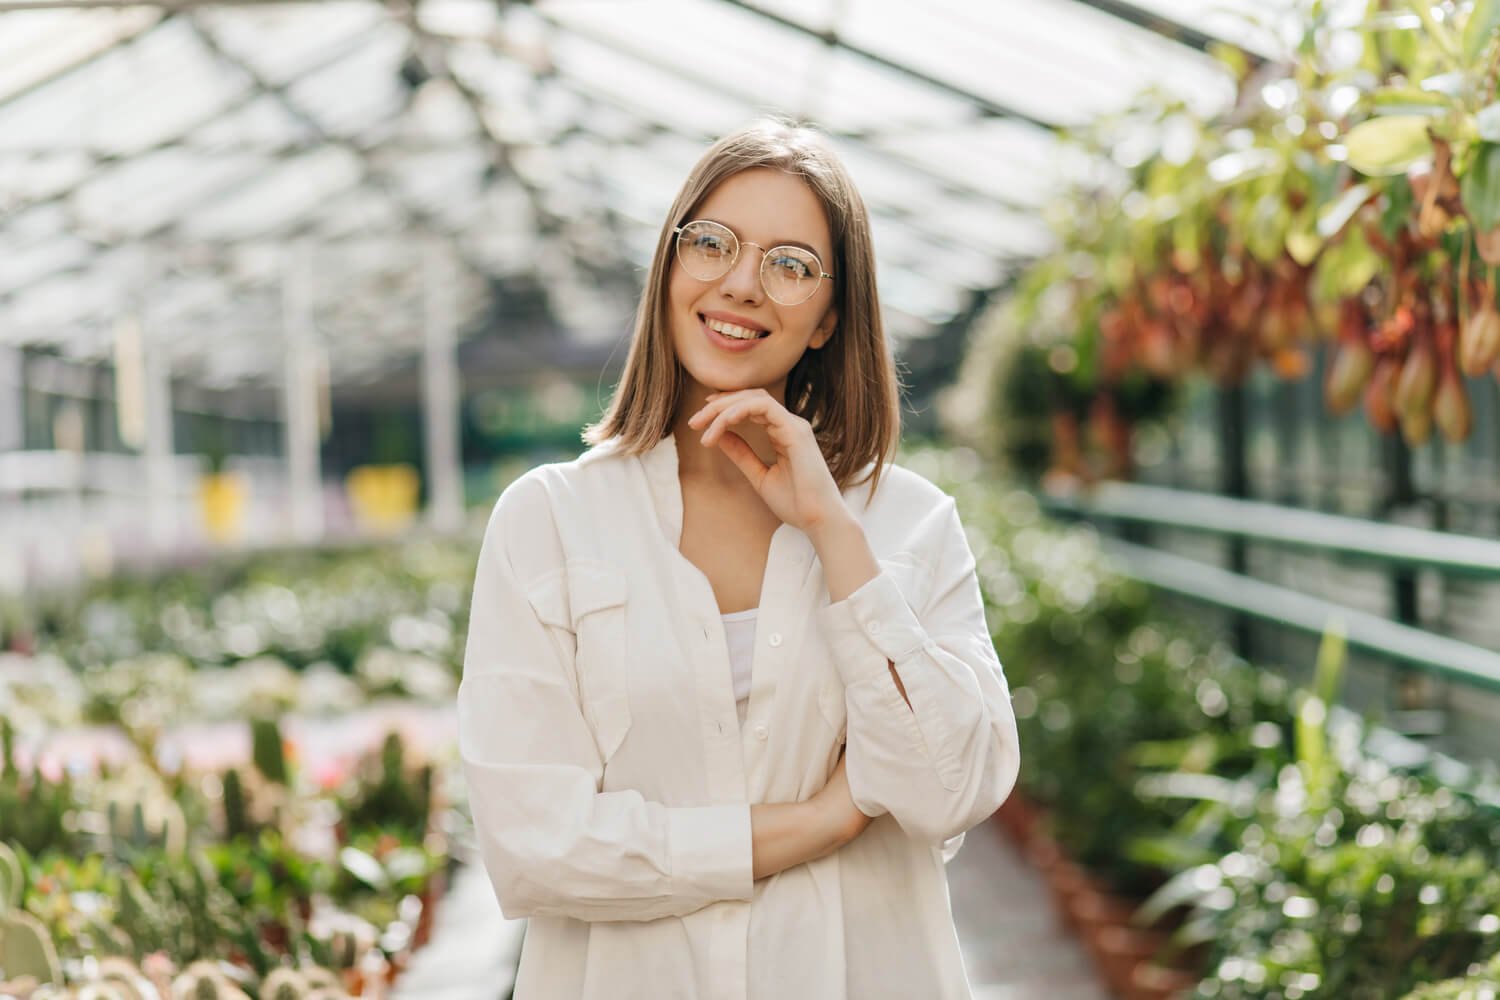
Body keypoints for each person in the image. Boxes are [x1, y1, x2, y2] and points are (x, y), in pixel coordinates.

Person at [458, 117, 1020, 1000]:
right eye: (712, 243)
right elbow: (536, 848)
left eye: (791, 264)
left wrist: (834, 531)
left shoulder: (909, 524)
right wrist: (824, 820)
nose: (742, 284)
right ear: (669, 266)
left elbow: (949, 790)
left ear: (829, 318)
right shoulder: (550, 522)